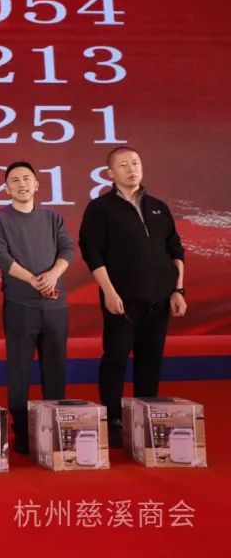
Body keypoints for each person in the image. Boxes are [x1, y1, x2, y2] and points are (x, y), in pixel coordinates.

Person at [78, 147, 186, 448]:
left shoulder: (158, 207)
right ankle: (112, 419)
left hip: (160, 299)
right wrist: (109, 292)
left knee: (150, 360)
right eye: (124, 165)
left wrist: (178, 290)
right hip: (122, 300)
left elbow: (175, 249)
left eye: (136, 163)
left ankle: (145, 415)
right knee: (115, 359)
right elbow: (92, 253)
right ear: (110, 173)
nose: (132, 169)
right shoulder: (101, 208)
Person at [0, 161, 74, 454]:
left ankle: (55, 429)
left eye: (27, 178)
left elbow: (67, 248)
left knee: (55, 369)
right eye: (15, 180)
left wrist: (53, 275)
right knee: (19, 372)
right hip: (20, 304)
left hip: (55, 305)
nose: (22, 184)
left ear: (36, 184)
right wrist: (32, 280)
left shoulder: (52, 217)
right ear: (6, 188)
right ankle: (22, 432)